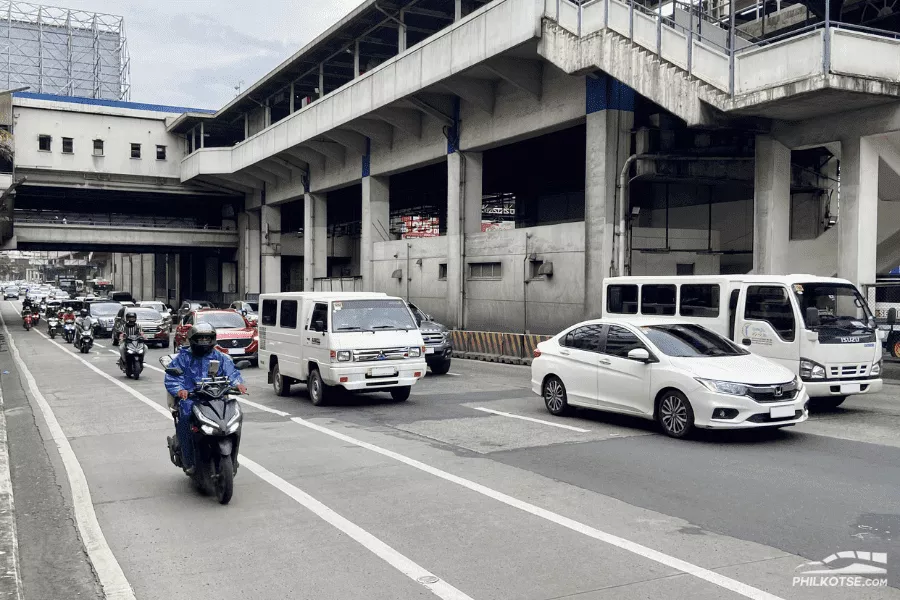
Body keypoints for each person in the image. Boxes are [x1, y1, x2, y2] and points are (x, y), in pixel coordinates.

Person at [163, 324, 246, 473]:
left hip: (216, 397)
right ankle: (188, 460)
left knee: (234, 416)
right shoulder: (184, 357)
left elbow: (232, 373)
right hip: (191, 399)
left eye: (207, 338)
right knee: (185, 417)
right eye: (200, 338)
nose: (204, 341)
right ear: (192, 339)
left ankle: (233, 458)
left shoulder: (220, 357)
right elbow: (173, 377)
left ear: (213, 339)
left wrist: (238, 384)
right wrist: (180, 390)